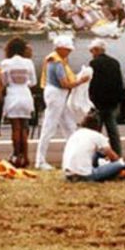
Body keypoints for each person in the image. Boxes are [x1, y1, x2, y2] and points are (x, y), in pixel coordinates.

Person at [34, 35, 91, 170]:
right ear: (60, 48)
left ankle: (75, 156)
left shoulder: (55, 60)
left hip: (56, 95)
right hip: (56, 94)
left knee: (69, 126)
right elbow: (65, 83)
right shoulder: (57, 62)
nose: (69, 52)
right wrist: (81, 81)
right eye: (67, 49)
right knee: (50, 127)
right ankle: (40, 160)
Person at [62, 111, 125, 182]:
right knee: (120, 164)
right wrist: (118, 162)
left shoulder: (75, 134)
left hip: (68, 174)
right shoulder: (97, 136)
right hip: (85, 175)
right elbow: (113, 157)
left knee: (97, 154)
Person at [0, 37, 37, 168]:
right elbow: (33, 82)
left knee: (15, 128)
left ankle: (16, 155)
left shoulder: (5, 63)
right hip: (25, 95)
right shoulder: (28, 63)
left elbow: (3, 82)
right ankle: (25, 157)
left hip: (12, 94)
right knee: (24, 128)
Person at [87, 38, 125, 155]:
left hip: (98, 102)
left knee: (95, 131)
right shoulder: (115, 62)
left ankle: (93, 155)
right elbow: (119, 82)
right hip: (112, 102)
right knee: (113, 131)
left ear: (97, 50)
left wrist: (91, 99)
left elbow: (93, 84)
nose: (91, 54)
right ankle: (117, 154)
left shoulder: (94, 64)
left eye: (92, 51)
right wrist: (119, 99)